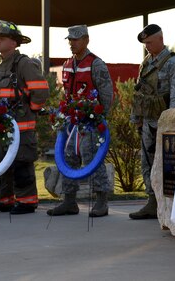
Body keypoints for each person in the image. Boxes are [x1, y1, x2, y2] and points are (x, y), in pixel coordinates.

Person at [0, 19, 50, 215]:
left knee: (21, 162)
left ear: (13, 42)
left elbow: (41, 91)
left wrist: (31, 111)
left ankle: (27, 202)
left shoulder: (24, 64)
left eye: (1, 38)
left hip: (22, 126)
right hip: (1, 125)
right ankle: (3, 200)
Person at [47, 25, 114, 218]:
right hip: (71, 122)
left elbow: (106, 93)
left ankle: (101, 200)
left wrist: (102, 118)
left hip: (91, 121)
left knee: (91, 156)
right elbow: (66, 92)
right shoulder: (68, 64)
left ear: (86, 40)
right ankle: (69, 201)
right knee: (68, 157)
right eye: (70, 40)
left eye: (75, 39)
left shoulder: (96, 63)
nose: (72, 43)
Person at [129, 24, 175, 220]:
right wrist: (136, 119)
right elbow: (140, 92)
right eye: (145, 43)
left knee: (166, 166)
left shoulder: (174, 64)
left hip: (164, 125)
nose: (146, 46)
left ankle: (169, 204)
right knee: (147, 162)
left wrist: (172, 126)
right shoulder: (146, 63)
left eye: (149, 42)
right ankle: (152, 202)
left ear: (160, 39)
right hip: (147, 123)